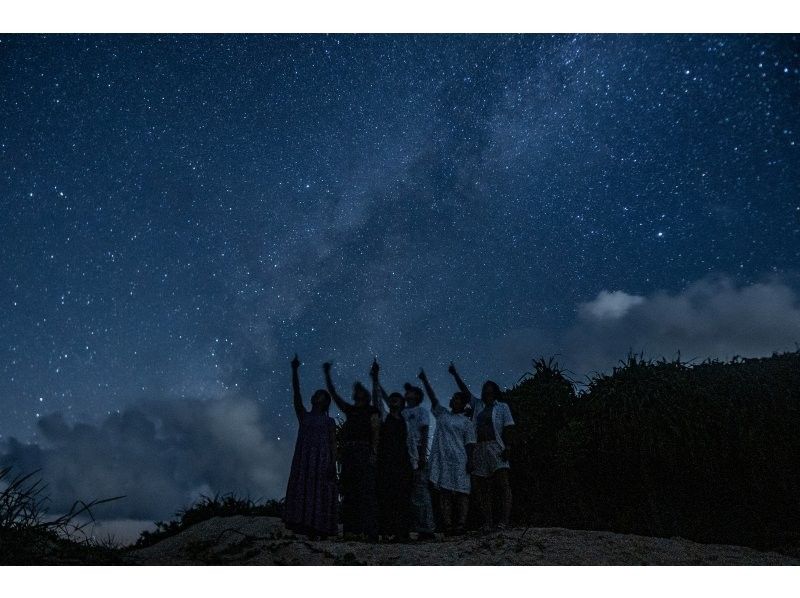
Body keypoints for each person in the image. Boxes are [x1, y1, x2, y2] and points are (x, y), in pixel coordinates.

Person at [448, 362, 514, 530]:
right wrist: (455, 374)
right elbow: (464, 391)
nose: (487, 392)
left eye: (490, 389)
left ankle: (504, 521)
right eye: (485, 389)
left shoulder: (502, 407)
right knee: (481, 487)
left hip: (496, 447)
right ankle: (487, 522)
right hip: (480, 448)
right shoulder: (478, 405)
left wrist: (508, 447)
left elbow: (508, 427)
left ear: (495, 392)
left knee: (502, 484)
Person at [283, 354, 338, 538]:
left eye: (321, 395)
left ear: (326, 401)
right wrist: (295, 370)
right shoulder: (304, 416)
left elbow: (332, 443)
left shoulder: (329, 421)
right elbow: (296, 394)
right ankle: (302, 524)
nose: (316, 396)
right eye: (316, 394)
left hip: (322, 460)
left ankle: (319, 527)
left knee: (320, 491)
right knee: (304, 488)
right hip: (305, 460)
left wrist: (333, 463)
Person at [324, 361, 380, 540]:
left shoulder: (371, 410)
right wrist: (327, 375)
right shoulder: (350, 409)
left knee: (365, 491)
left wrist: (374, 452)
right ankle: (350, 530)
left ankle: (367, 530)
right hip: (349, 452)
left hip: (363, 450)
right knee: (349, 490)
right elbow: (333, 394)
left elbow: (375, 431)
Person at [418, 368, 476, 535]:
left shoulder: (466, 422)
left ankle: (461, 525)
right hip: (443, 459)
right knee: (445, 492)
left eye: (459, 399)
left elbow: (470, 443)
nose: (455, 401)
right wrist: (425, 380)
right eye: (454, 398)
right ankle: (448, 525)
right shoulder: (442, 414)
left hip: (460, 459)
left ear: (463, 403)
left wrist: (470, 460)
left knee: (462, 492)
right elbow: (433, 398)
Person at [370, 362, 413, 541]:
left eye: (397, 398)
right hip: (386, 461)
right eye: (392, 398)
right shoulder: (384, 416)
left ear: (402, 404)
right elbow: (377, 398)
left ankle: (401, 532)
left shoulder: (406, 420)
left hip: (403, 462)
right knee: (386, 495)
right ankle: (386, 531)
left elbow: (411, 442)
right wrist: (375, 378)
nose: (394, 400)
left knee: (402, 497)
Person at [402, 381, 436, 539]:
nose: (407, 393)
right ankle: (410, 527)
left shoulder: (421, 411)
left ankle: (426, 528)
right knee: (407, 493)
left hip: (416, 455)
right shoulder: (402, 412)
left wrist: (422, 456)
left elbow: (424, 432)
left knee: (421, 492)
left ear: (417, 396)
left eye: (411, 391)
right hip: (404, 456)